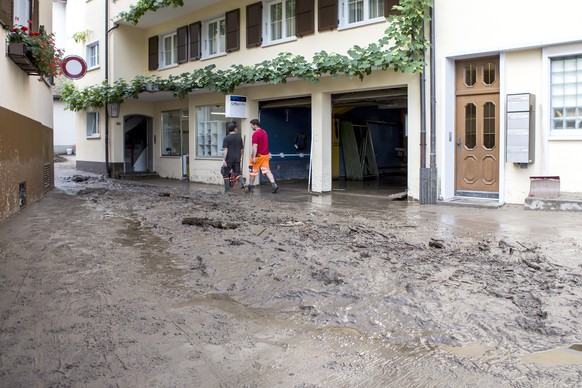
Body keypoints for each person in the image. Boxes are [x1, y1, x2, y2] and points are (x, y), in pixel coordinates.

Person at [247, 118, 278, 193]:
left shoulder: (255, 133)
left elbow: (255, 146)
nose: (251, 127)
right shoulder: (264, 132)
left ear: (255, 125)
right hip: (265, 155)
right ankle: (274, 185)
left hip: (258, 156)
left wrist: (254, 157)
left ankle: (250, 187)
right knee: (267, 171)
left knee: (253, 172)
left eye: (251, 125)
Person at [221, 122, 245, 193]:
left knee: (225, 173)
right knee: (237, 173)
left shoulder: (226, 138)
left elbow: (225, 150)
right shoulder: (239, 137)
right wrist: (240, 157)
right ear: (234, 129)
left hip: (229, 159)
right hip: (237, 158)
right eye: (236, 128)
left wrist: (223, 159)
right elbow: (241, 149)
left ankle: (227, 191)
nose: (236, 129)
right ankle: (244, 184)